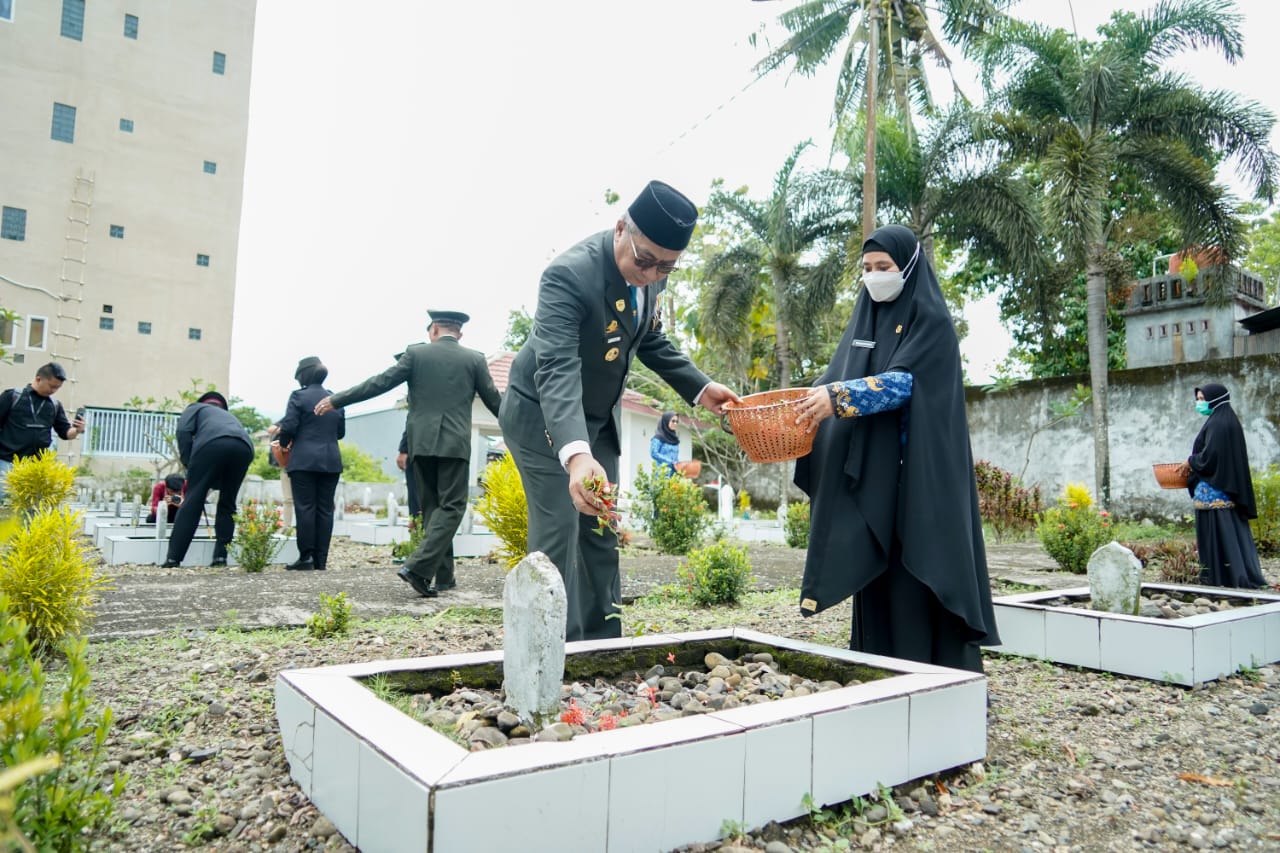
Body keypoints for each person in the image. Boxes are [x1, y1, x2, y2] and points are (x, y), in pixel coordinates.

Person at [498, 180, 741, 641]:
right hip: (542, 416)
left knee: (600, 527)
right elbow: (556, 367)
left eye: (666, 267)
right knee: (560, 531)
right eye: (645, 260)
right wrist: (575, 454)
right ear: (620, 229)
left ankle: (601, 644)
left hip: (597, 418)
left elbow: (647, 336)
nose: (651, 275)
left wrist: (701, 387)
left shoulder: (651, 273)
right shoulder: (568, 276)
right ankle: (548, 656)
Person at [792, 223, 999, 674]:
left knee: (921, 570)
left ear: (908, 265)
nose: (873, 276)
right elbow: (832, 379)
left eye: (883, 267)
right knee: (877, 568)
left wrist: (842, 399)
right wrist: (804, 404)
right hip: (875, 479)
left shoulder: (933, 322)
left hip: (922, 477)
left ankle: (941, 680)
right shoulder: (864, 321)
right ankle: (879, 675)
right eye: (866, 268)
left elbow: (908, 383)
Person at [316, 310, 501, 596]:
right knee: (452, 507)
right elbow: (495, 402)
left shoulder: (415, 354)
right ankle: (417, 568)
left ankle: (444, 577)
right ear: (460, 333)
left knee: (433, 511)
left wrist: (336, 399)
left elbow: (378, 383)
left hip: (420, 444)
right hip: (454, 445)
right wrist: (529, 431)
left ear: (434, 330)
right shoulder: (474, 359)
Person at [1177, 383, 1266, 589]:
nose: (1199, 403)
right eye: (1198, 399)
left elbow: (1212, 456)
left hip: (1216, 492)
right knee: (1229, 535)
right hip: (1223, 489)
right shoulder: (1224, 419)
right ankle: (1230, 576)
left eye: (1202, 399)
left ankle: (1222, 577)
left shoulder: (1218, 423)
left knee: (1221, 534)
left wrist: (1190, 461)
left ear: (1215, 399)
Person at [162, 391, 255, 568]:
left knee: (193, 501)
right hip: (244, 447)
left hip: (212, 444)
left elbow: (183, 431)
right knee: (228, 503)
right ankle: (220, 557)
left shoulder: (195, 408)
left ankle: (174, 558)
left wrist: (189, 463)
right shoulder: (229, 417)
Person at [277, 357, 344, 571]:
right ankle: (320, 560)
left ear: (303, 376)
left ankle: (305, 557)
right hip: (331, 460)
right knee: (325, 510)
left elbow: (288, 426)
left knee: (305, 508)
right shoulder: (335, 398)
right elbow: (340, 433)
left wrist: (285, 444)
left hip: (304, 460)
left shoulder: (298, 396)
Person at [0, 361, 85, 501]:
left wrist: (77, 430)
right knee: (4, 504)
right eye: (51, 386)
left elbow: (65, 433)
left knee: (31, 507)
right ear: (38, 379)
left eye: (57, 388)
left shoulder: (54, 405)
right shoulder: (12, 396)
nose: (53, 391)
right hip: (7, 463)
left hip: (36, 466)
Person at [266, 422, 295, 529]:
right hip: (287, 462)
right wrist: (286, 428)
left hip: (302, 461)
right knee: (288, 499)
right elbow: (271, 429)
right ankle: (286, 527)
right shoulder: (290, 417)